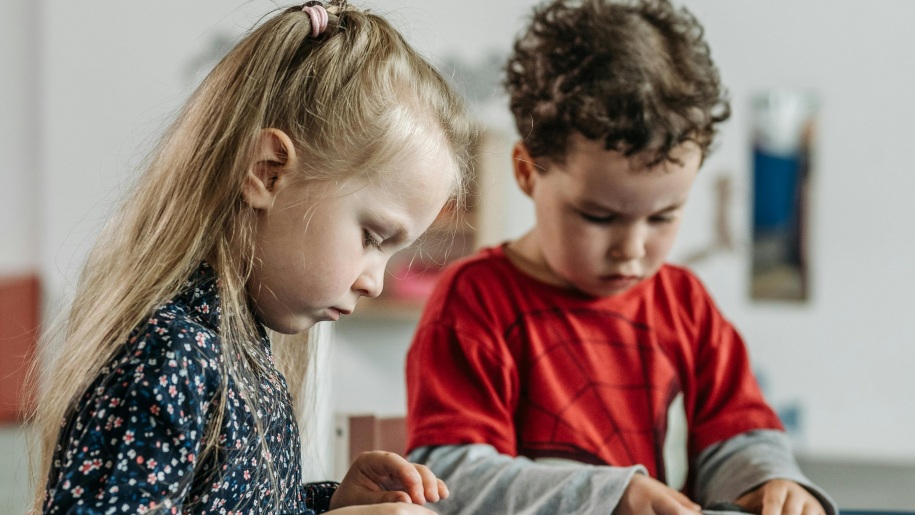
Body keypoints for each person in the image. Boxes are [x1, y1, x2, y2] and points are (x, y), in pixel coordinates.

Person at [30, 1, 475, 513]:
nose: (376, 281)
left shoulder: (240, 354)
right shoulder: (170, 359)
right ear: (267, 173)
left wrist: (330, 505)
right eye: (373, 237)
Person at [404, 0, 837, 514]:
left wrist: (770, 483)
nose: (631, 250)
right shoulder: (475, 301)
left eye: (662, 217)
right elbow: (451, 479)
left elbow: (739, 437)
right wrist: (611, 496)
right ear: (527, 171)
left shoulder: (686, 303)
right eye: (598, 217)